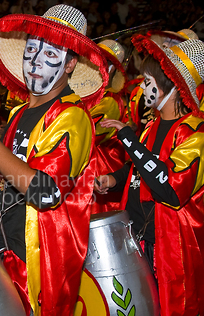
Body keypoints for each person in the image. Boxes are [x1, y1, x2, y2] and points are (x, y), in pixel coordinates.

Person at [0, 5, 108, 316]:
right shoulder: (21, 111)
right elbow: (9, 180)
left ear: (69, 65)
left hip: (32, 264)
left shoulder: (73, 117)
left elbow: (47, 192)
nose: (35, 61)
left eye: (50, 53)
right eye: (31, 49)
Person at [95, 36, 204, 316]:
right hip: (138, 240)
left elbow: (170, 188)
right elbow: (140, 170)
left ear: (171, 88)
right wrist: (114, 179)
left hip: (170, 247)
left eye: (148, 82)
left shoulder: (196, 134)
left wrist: (128, 139)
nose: (141, 88)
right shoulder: (150, 128)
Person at [89, 39, 129, 214]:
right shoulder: (91, 96)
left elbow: (90, 134)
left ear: (111, 69)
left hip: (102, 169)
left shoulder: (110, 101)